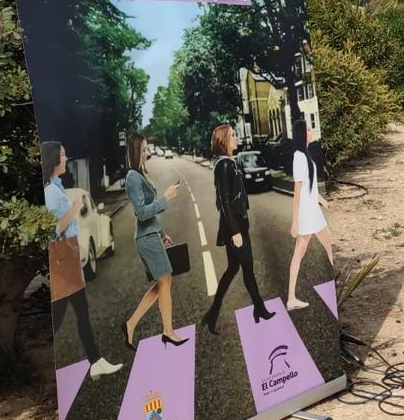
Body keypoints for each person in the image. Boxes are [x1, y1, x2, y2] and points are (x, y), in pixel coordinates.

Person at [41, 142, 122, 379]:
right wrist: (74, 208)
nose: (66, 158)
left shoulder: (56, 187)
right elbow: (51, 230)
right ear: (54, 159)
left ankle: (96, 361)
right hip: (63, 259)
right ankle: (84, 362)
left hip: (69, 256)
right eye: (64, 155)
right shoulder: (51, 192)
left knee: (80, 313)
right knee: (58, 317)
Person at [202, 125, 273, 334]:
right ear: (224, 140)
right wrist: (235, 232)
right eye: (232, 135)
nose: (236, 137)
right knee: (247, 269)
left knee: (233, 269)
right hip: (234, 226)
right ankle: (259, 308)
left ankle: (213, 313)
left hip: (236, 224)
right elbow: (224, 201)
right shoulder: (224, 165)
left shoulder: (227, 163)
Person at [123, 134, 188, 349]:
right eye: (143, 149)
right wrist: (165, 198)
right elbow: (141, 213)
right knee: (165, 280)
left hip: (152, 236)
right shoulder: (133, 177)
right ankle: (168, 331)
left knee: (162, 282)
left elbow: (149, 216)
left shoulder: (141, 173)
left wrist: (161, 233)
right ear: (135, 151)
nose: (147, 151)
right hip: (145, 239)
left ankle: (131, 324)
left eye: (146, 148)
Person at [285, 119, 335, 311]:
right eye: (308, 128)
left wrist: (324, 202)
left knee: (326, 247)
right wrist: (295, 222)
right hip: (306, 213)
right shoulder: (299, 157)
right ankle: (291, 299)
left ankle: (291, 299)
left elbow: (310, 188)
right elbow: (297, 192)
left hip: (312, 210)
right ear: (301, 134)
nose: (311, 130)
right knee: (301, 253)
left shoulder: (305, 155)